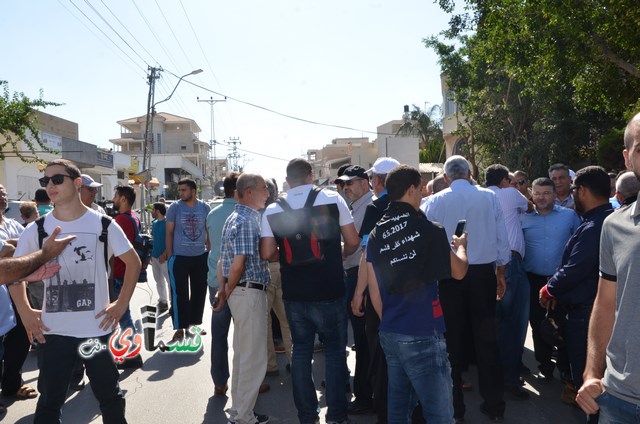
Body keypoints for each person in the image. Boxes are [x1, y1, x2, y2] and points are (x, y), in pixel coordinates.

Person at [10, 159, 141, 423]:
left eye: (57, 179)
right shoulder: (37, 229)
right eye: (45, 181)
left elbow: (133, 262)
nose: (50, 185)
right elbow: (14, 274)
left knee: (110, 398)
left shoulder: (104, 224)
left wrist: (121, 304)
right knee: (49, 404)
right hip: (54, 334)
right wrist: (25, 311)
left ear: (77, 182)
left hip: (95, 332)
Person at [365, 165, 469, 423]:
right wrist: (462, 247)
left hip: (390, 332)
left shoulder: (377, 233)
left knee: (399, 410)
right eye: (420, 189)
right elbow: (459, 272)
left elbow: (374, 289)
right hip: (422, 333)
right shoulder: (429, 229)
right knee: (440, 414)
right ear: (411, 189)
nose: (422, 194)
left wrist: (391, 323)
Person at [260, 158, 360, 424]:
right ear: (310, 175)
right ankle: (338, 416)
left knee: (301, 354)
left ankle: (307, 416)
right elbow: (352, 241)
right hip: (330, 288)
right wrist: (340, 255)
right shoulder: (332, 199)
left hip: (295, 293)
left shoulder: (272, 209)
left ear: (287, 178)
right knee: (336, 352)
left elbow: (267, 252)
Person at [424, 155, 509, 423]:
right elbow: (501, 237)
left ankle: (455, 408)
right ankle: (495, 405)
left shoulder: (435, 201)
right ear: (470, 173)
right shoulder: (489, 197)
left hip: (448, 278)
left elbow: (427, 244)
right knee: (487, 340)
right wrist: (501, 272)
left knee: (451, 342)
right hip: (482, 273)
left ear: (447, 177)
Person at [577, 112, 640, 422]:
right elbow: (605, 303)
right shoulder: (614, 226)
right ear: (628, 159)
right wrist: (591, 372)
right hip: (619, 399)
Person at [539, 166, 613, 408]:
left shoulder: (595, 226)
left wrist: (549, 289)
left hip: (584, 312)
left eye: (573, 189)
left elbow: (577, 267)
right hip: (590, 307)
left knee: (588, 378)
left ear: (582, 191)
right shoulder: (604, 219)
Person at [214, 173, 271, 424]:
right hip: (248, 292)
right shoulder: (248, 221)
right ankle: (245, 415)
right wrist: (225, 291)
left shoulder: (232, 217)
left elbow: (221, 260)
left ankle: (239, 409)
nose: (267, 193)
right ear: (249, 192)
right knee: (253, 358)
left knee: (242, 355)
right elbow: (237, 264)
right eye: (263, 188)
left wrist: (223, 288)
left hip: (240, 292)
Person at [350, 156, 399, 424]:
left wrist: (360, 292)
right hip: (408, 293)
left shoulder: (375, 208)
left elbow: (367, 254)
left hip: (378, 290)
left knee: (378, 352)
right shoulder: (417, 206)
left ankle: (380, 406)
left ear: (379, 181)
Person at [521, 177, 581, 383]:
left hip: (563, 280)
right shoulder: (524, 218)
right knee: (537, 324)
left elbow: (578, 247)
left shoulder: (570, 216)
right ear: (532, 194)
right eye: (537, 193)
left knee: (564, 324)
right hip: (533, 280)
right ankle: (544, 364)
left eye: (546, 193)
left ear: (555, 195)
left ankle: (565, 368)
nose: (541, 197)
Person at [485, 164, 532, 400]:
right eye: (512, 181)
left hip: (485, 265)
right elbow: (530, 205)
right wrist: (519, 189)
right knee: (513, 323)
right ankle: (509, 379)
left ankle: (496, 376)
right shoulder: (511, 194)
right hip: (510, 263)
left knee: (495, 323)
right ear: (504, 181)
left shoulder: (481, 196)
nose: (514, 185)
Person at [337, 165, 374, 414]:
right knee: (364, 340)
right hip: (357, 275)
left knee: (363, 339)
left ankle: (364, 396)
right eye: (344, 184)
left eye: (351, 183)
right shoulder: (357, 206)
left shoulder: (367, 208)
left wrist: (334, 255)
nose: (346, 187)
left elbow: (354, 246)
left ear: (365, 182)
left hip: (361, 278)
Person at [206, 172, 239, 396]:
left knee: (219, 335)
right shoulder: (246, 214)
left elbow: (208, 244)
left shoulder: (212, 214)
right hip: (240, 283)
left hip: (214, 280)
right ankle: (243, 384)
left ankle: (219, 381)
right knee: (244, 336)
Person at [166, 178, 210, 342]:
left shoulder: (204, 207)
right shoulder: (175, 208)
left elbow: (208, 231)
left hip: (200, 257)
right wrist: (171, 256)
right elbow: (169, 232)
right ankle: (180, 328)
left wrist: (209, 253)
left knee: (199, 292)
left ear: (193, 191)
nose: (181, 193)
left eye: (184, 190)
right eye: (180, 190)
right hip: (180, 258)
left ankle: (192, 324)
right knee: (180, 294)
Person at [264, 178, 292, 377]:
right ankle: (294, 360)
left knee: (265, 321)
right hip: (284, 268)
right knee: (286, 320)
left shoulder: (259, 213)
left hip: (264, 269)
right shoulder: (283, 210)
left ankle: (270, 365)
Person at [150, 202, 170, 315]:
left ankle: (173, 304)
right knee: (158, 281)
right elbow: (154, 239)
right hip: (155, 256)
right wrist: (151, 255)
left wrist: (164, 254)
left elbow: (171, 240)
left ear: (158, 211)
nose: (151, 211)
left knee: (169, 282)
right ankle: (163, 301)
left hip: (165, 258)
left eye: (153, 209)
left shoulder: (168, 223)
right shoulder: (155, 223)